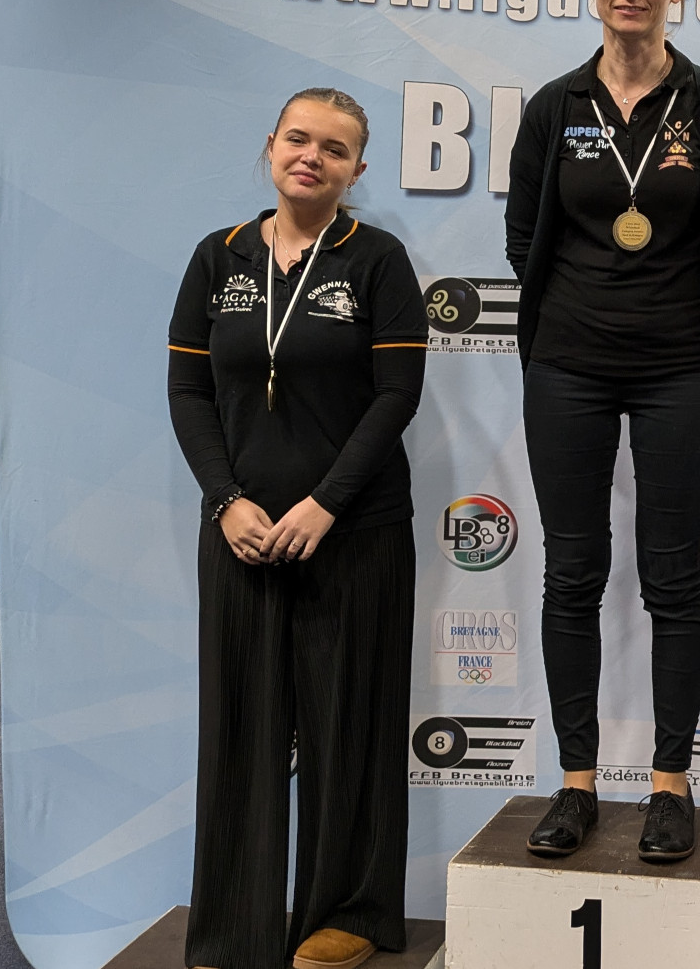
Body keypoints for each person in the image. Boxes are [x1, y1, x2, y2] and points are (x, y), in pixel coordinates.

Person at [504, 0, 700, 863]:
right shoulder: (555, 106)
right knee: (571, 571)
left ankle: (668, 781)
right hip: (566, 369)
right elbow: (522, 239)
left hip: (675, 374)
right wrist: (565, 325)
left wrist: (681, 319)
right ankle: (575, 781)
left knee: (670, 576)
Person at [167, 88, 428, 969]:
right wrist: (224, 499)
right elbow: (189, 392)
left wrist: (325, 503)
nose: (312, 156)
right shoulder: (218, 257)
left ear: (358, 169)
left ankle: (347, 910)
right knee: (240, 726)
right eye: (298, 138)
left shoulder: (378, 260)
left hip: (355, 532)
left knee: (347, 724)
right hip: (239, 532)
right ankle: (235, 924)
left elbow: (396, 396)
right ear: (270, 146)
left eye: (335, 147)